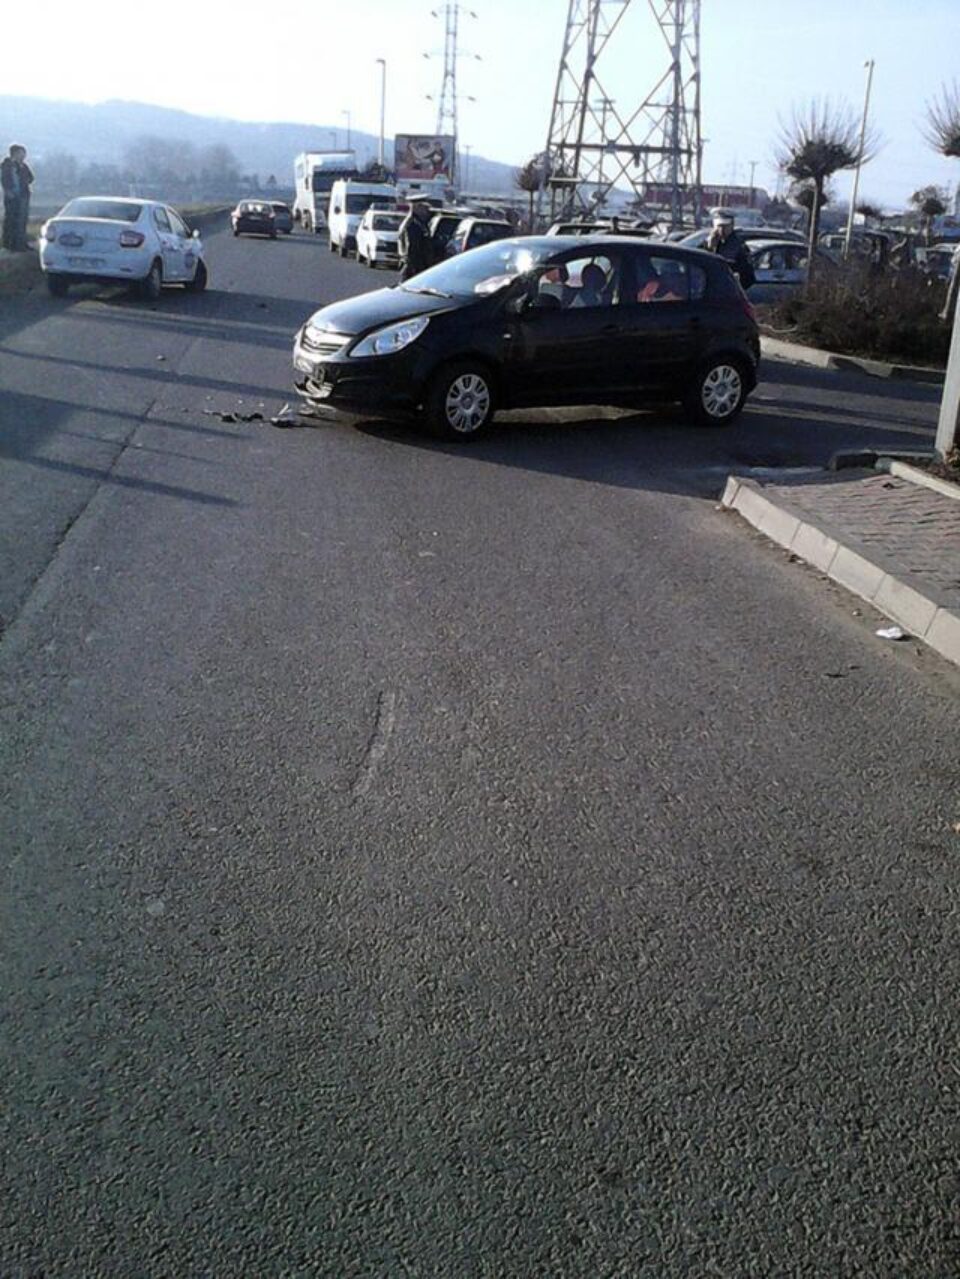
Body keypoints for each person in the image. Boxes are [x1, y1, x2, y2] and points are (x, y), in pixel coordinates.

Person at [704, 211, 755, 289]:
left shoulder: (739, 246)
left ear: (732, 226)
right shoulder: (710, 242)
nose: (721, 230)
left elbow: (748, 276)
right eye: (719, 226)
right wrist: (710, 248)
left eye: (725, 226)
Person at [1, 143, 34, 253]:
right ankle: (10, 244)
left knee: (22, 221)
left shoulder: (23, 166)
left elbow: (31, 177)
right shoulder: (7, 165)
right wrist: (9, 190)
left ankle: (21, 243)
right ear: (15, 153)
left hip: (23, 196)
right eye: (21, 153)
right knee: (11, 220)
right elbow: (4, 180)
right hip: (12, 197)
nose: (23, 156)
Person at [398, 197, 436, 282]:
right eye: (424, 208)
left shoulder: (420, 223)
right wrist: (417, 267)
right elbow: (411, 248)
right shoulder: (412, 224)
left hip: (417, 265)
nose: (427, 211)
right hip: (413, 267)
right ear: (416, 208)